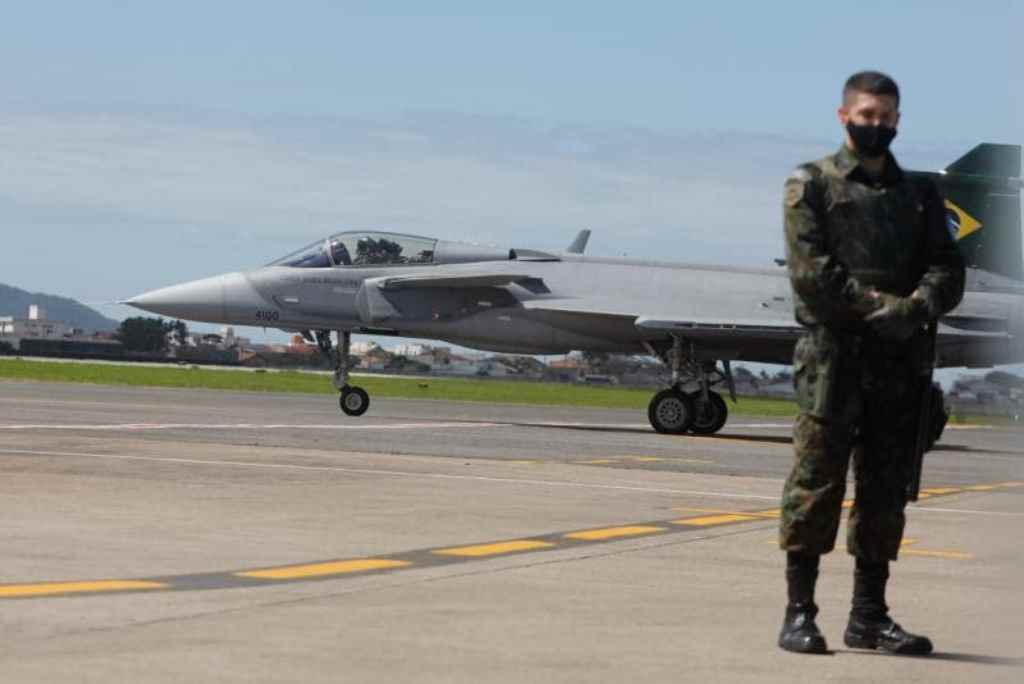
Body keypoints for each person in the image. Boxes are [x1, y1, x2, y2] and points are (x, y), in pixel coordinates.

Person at [778, 71, 966, 655]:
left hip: (899, 366)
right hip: (833, 362)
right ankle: (799, 614)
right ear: (843, 116)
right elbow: (814, 277)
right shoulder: (810, 185)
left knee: (885, 492)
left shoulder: (920, 195)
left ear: (898, 121)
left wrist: (919, 307)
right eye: (866, 114)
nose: (875, 125)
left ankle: (869, 617)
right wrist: (888, 309)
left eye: (885, 116)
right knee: (815, 487)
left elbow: (947, 267)